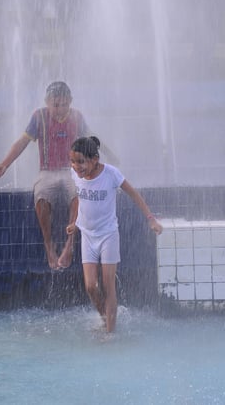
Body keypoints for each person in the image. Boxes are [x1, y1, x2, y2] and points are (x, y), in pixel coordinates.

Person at [67, 136, 162, 333]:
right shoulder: (75, 174)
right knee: (90, 286)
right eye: (73, 162)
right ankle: (105, 318)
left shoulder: (111, 174)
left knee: (108, 284)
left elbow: (134, 194)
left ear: (94, 159)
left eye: (81, 162)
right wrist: (75, 223)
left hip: (108, 235)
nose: (76, 166)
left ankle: (110, 332)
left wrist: (150, 218)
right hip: (87, 235)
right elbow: (79, 198)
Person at [0, 81, 89, 270]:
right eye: (56, 105)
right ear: (47, 102)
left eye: (64, 104)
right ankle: (49, 246)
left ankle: (69, 246)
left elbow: (92, 142)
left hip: (72, 171)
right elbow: (22, 142)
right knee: (41, 196)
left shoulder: (77, 117)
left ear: (70, 101)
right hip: (47, 172)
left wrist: (107, 163)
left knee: (79, 194)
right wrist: (4, 165)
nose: (60, 109)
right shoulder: (39, 117)